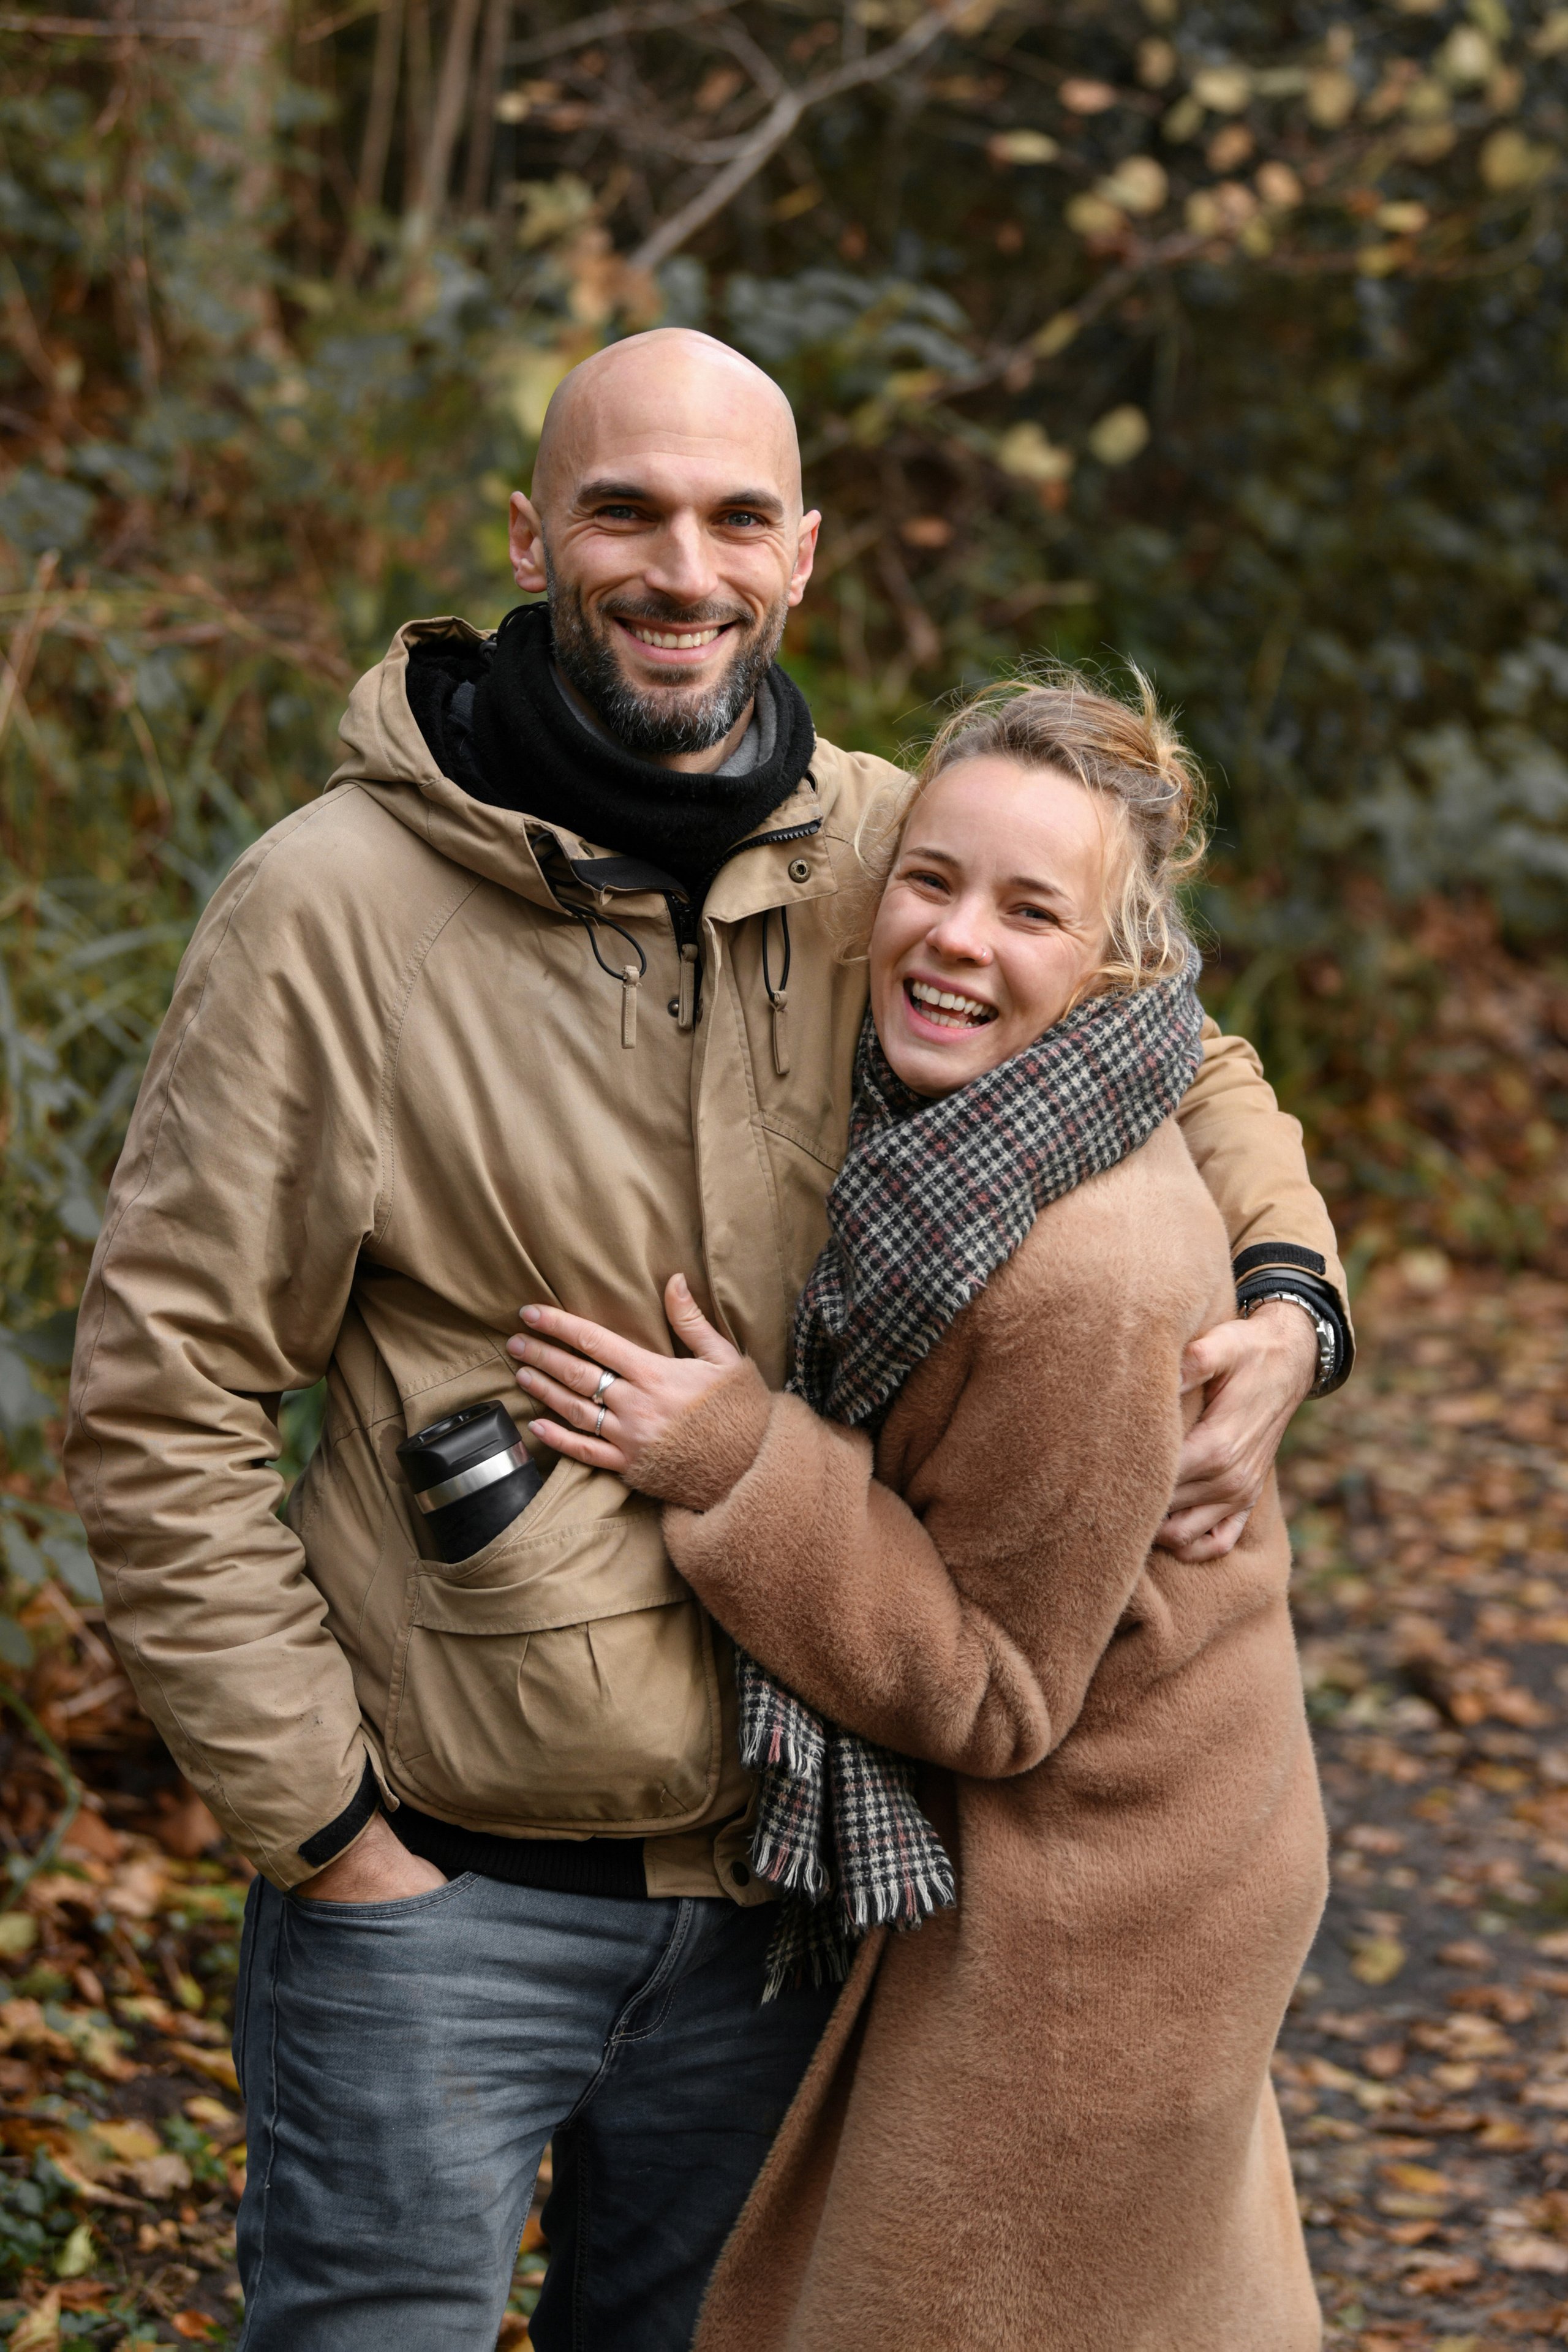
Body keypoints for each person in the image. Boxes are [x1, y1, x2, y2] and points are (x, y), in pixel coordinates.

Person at [64, 329, 1345, 2350]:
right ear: (531, 534)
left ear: (802, 555)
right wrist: (325, 1832)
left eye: (736, 515)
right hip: (444, 1898)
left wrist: (1289, 1298)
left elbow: (1172, 1041)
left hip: (789, 1901)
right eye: (626, 510)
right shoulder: (331, 910)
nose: (683, 565)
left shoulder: (889, 848)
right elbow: (162, 1401)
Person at [508, 672, 1329, 2351]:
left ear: (1111, 966)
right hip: (1128, 1827)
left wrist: (739, 1458)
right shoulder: (1000, 1096)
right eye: (935, 883)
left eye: (1033, 912)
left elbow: (996, 1693)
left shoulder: (1086, 1273)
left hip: (1107, 1885)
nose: (958, 936)